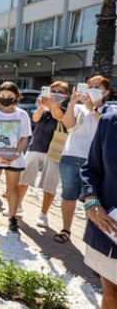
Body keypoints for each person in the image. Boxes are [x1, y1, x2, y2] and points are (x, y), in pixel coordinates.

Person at [58, 75, 117, 244]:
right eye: (89, 85)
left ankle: (92, 237)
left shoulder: (110, 112)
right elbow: (68, 125)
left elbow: (107, 129)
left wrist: (92, 109)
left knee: (93, 197)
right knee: (68, 195)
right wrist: (72, 102)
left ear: (105, 92)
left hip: (96, 162)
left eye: (97, 87)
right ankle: (66, 229)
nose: (91, 89)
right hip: (71, 156)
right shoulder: (78, 108)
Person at [0, 81, 32, 231]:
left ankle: (13, 217)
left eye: (9, 95)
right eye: (2, 95)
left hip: (14, 159)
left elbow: (24, 137)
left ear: (16, 96)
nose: (5, 98)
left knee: (13, 188)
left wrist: (16, 154)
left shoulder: (22, 115)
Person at [18, 81, 67, 228]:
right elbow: (35, 118)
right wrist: (41, 107)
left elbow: (61, 118)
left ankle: (43, 214)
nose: (56, 94)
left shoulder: (67, 110)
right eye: (53, 91)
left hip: (54, 151)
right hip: (36, 147)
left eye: (60, 92)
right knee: (24, 178)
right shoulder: (43, 110)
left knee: (50, 183)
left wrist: (52, 105)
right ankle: (17, 205)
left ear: (65, 95)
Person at [80, 112, 117, 309]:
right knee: (112, 295)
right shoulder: (109, 122)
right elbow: (91, 169)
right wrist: (91, 201)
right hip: (111, 228)